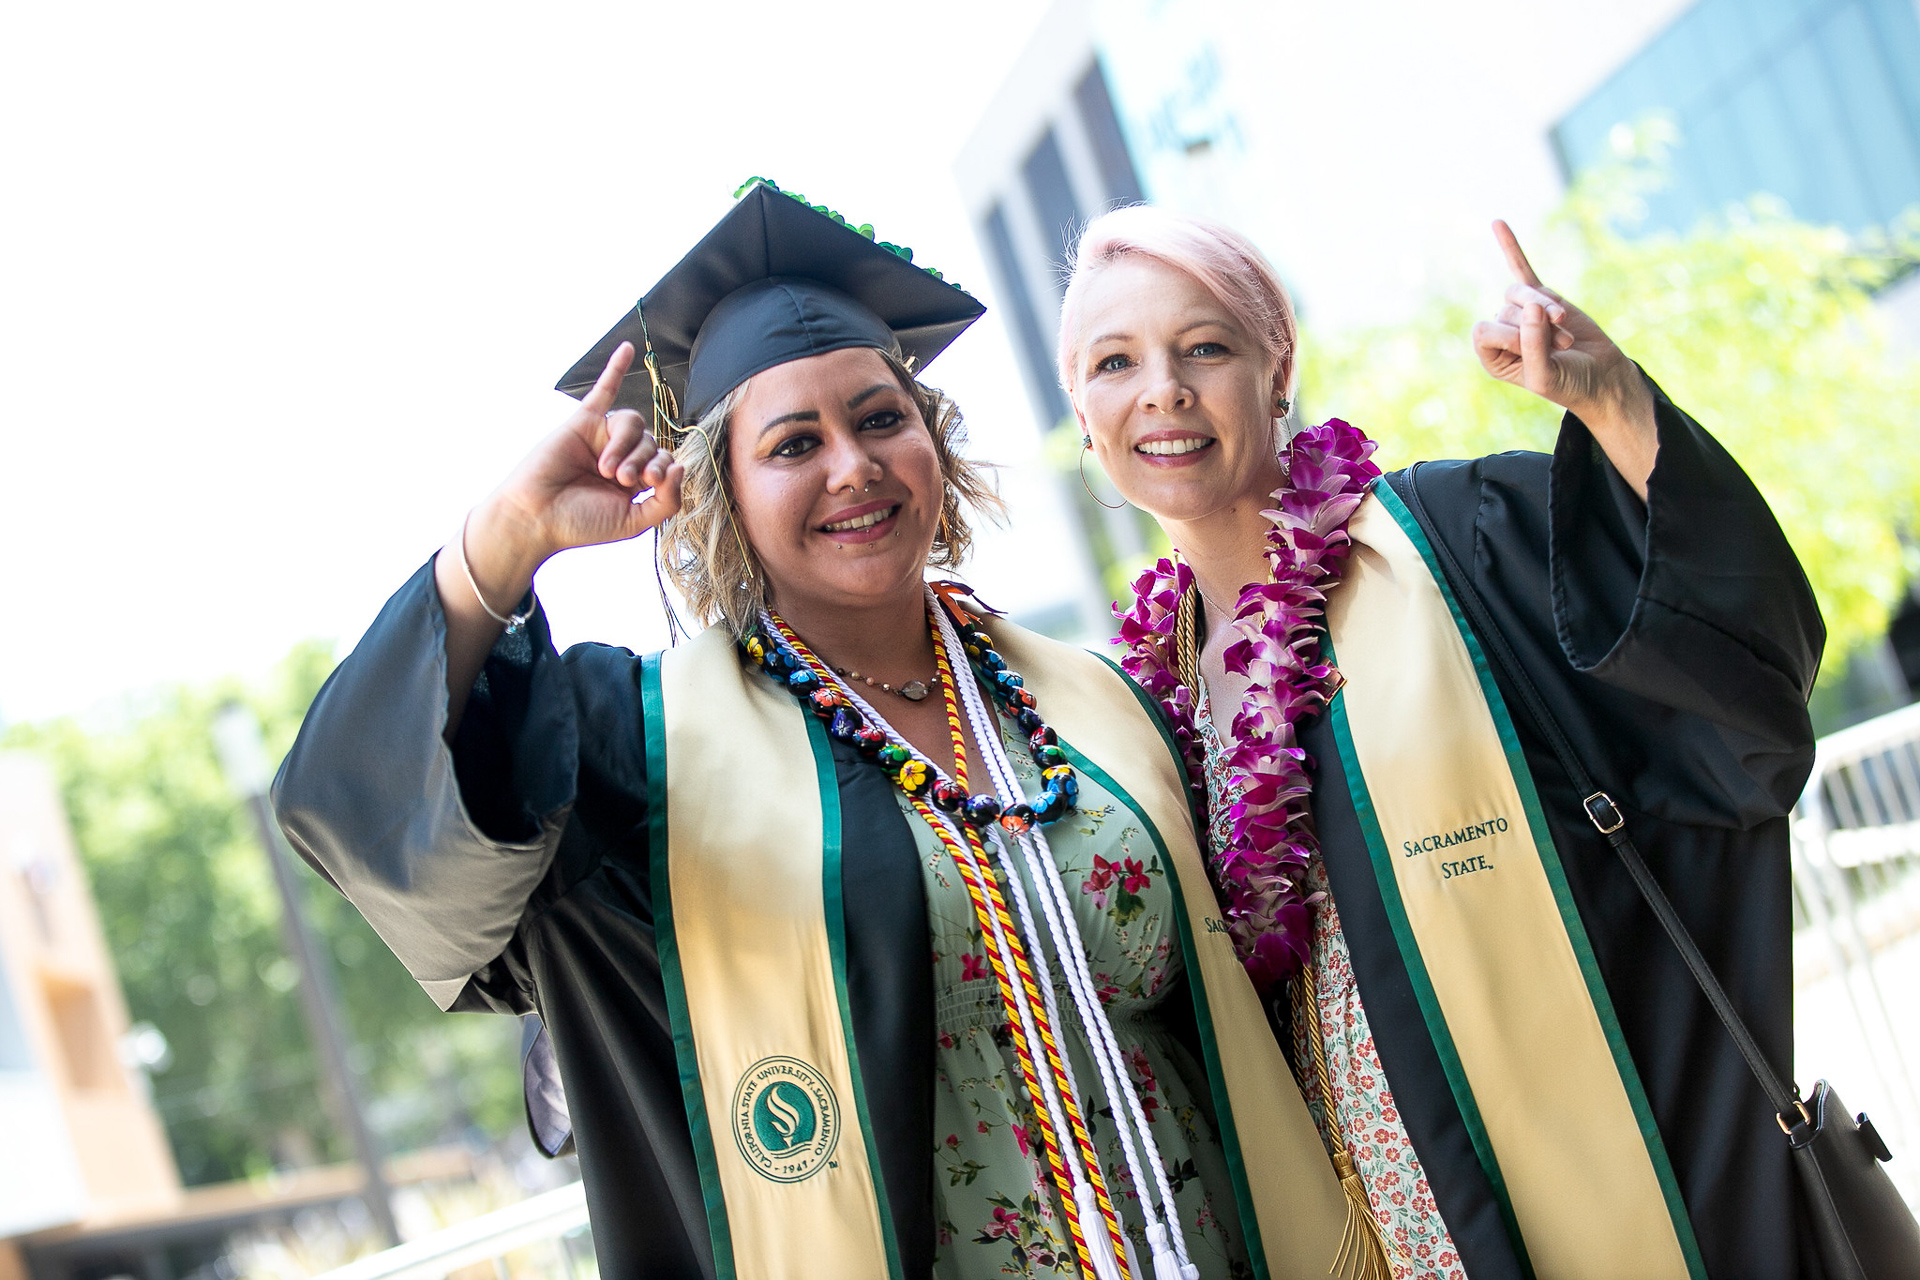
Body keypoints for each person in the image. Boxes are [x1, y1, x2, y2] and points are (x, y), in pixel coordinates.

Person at [273, 181, 1367, 1280]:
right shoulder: (646, 750)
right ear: (725, 494)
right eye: (794, 443)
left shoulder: (1095, 705)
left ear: (933, 445)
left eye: (881, 417)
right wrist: (505, 540)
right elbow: (369, 813)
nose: (853, 464)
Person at [1056, 205, 1823, 1280]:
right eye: (1114, 362)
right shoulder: (1139, 705)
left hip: (1586, 1180)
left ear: (1278, 372)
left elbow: (1734, 669)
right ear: (1082, 415)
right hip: (1364, 1230)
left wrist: (1611, 399)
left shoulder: (1457, 541)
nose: (1164, 390)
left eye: (1205, 346)